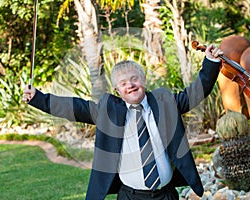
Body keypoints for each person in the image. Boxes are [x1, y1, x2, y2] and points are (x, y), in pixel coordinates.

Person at [23, 44, 223, 200]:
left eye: (134, 78)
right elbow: (75, 107)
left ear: (143, 80)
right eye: (123, 83)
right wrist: (38, 98)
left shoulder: (165, 102)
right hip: (130, 196)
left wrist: (210, 63)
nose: (130, 85)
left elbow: (196, 91)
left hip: (166, 195)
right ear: (117, 90)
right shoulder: (107, 111)